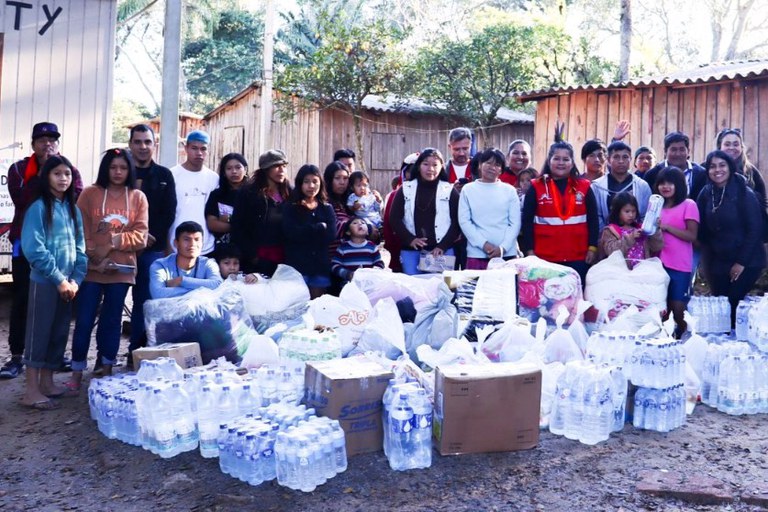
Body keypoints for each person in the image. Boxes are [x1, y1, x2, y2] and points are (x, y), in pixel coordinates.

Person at [1, 122, 83, 379]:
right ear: (33, 143)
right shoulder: (19, 169)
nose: (48, 144)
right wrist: (44, 173)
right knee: (23, 298)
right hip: (25, 244)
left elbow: (74, 194)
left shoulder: (68, 169)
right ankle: (17, 357)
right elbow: (24, 199)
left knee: (59, 304)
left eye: (52, 140)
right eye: (42, 140)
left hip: (60, 249)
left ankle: (52, 358)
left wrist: (54, 170)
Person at [68, 149, 148, 389]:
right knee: (83, 320)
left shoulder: (138, 197)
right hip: (91, 269)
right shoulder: (90, 194)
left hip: (122, 270)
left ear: (129, 170)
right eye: (113, 167)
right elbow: (79, 229)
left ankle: (107, 368)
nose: (118, 172)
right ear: (105, 169)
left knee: (112, 321)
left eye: (123, 168)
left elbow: (141, 236)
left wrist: (111, 244)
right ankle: (76, 373)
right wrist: (96, 257)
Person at [19, 156, 87, 408]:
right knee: (39, 333)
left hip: (68, 284)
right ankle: (31, 390)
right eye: (57, 173)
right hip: (46, 282)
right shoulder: (38, 208)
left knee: (58, 333)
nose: (63, 179)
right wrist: (59, 279)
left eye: (67, 174)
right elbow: (34, 249)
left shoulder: (72, 209)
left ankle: (47, 383)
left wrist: (76, 280)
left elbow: (80, 248)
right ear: (46, 176)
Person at [696, 150, 765, 328]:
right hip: (718, 260)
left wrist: (741, 263)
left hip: (747, 259)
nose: (717, 170)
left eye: (722, 165)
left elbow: (755, 230)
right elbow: (701, 228)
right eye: (712, 166)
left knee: (733, 303)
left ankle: (740, 347)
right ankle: (722, 349)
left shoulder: (744, 193)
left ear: (730, 167)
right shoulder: (706, 193)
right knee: (720, 307)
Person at [127, 124, 176, 360]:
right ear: (130, 145)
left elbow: (169, 212)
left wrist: (148, 238)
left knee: (145, 302)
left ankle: (136, 351)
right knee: (114, 304)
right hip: (119, 250)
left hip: (151, 250)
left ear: (154, 144)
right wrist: (131, 239)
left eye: (147, 142)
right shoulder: (121, 172)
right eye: (138, 142)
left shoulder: (164, 175)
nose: (143, 147)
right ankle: (104, 358)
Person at [520, 141, 599, 284]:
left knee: (575, 300)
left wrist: (592, 248)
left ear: (572, 162)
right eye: (556, 158)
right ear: (549, 161)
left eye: (566, 159)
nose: (561, 163)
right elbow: (526, 223)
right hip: (544, 257)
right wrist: (529, 251)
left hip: (578, 256)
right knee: (547, 301)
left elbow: (593, 220)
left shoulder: (584, 186)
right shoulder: (536, 186)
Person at [389, 148, 461, 275]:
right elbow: (394, 218)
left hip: (441, 251)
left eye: (435, 165)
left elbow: (457, 221)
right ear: (418, 166)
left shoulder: (449, 191)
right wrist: (410, 239)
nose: (430, 169)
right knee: (413, 290)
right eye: (426, 164)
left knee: (439, 291)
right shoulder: (405, 189)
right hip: (411, 250)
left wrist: (442, 246)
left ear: (442, 167)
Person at [653, 168, 699, 337]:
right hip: (658, 264)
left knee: (678, 309)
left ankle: (684, 342)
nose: (665, 187)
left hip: (680, 265)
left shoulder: (689, 205)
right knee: (661, 307)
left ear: (679, 185)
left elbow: (691, 235)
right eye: (662, 183)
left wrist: (666, 227)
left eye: (670, 183)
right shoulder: (657, 206)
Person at [230, 149, 291, 276]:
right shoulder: (249, 193)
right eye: (276, 166)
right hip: (258, 258)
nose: (281, 170)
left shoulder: (290, 192)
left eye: (284, 166)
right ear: (265, 169)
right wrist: (252, 256)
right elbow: (238, 227)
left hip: (285, 257)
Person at [458, 148, 521, 270]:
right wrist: (484, 244)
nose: (492, 167)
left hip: (507, 255)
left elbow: (515, 223)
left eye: (497, 165)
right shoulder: (468, 190)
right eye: (488, 162)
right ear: (480, 165)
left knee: (505, 289)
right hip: (477, 254)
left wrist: (503, 248)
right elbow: (464, 221)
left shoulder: (510, 191)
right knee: (475, 289)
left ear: (501, 169)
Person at [282, 164, 337, 298]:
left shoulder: (326, 208)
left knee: (317, 307)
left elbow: (331, 235)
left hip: (319, 266)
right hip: (297, 266)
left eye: (315, 181)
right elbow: (291, 233)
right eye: (306, 182)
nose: (311, 186)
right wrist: (318, 228)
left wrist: (306, 231)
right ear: (300, 183)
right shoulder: (291, 207)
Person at [169, 130, 219, 256]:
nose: (199, 153)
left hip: (206, 247)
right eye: (194, 148)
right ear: (186, 148)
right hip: (176, 246)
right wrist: (167, 246)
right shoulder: (172, 175)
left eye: (203, 149)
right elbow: (165, 213)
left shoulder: (214, 178)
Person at [149, 221, 223, 299]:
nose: (192, 244)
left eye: (197, 240)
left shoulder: (208, 263)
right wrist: (201, 291)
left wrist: (182, 281)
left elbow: (218, 285)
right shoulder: (160, 265)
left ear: (202, 244)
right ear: (176, 243)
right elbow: (158, 294)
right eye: (187, 239)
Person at [591, 141, 653, 232]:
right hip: (607, 239)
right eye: (616, 157)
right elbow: (596, 216)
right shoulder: (597, 186)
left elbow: (645, 216)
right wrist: (608, 236)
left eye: (625, 157)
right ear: (608, 160)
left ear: (631, 159)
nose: (621, 161)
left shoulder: (642, 185)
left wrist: (635, 235)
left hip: (635, 238)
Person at [715, 128, 768, 233]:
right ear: (719, 147)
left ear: (741, 147)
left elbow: (763, 201)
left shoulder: (751, 172)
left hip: (746, 232)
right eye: (727, 144)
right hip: (717, 232)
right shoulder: (708, 169)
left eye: (736, 144)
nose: (732, 147)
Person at [597, 192, 663, 266]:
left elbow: (656, 247)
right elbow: (610, 251)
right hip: (621, 273)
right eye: (627, 211)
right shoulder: (610, 231)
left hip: (642, 272)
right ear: (617, 212)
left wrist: (655, 229)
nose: (631, 215)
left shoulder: (641, 229)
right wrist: (630, 238)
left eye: (633, 211)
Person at [642, 131, 706, 200]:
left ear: (688, 151)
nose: (678, 154)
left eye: (682, 149)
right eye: (673, 150)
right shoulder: (652, 175)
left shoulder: (701, 174)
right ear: (665, 151)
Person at [205, 153, 248, 247]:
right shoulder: (217, 195)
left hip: (249, 248)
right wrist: (240, 225)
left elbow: (255, 223)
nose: (234, 171)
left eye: (238, 167)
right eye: (229, 168)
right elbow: (212, 224)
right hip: (223, 249)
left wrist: (226, 219)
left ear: (245, 170)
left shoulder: (255, 193)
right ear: (224, 172)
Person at [331, 218, 385, 283]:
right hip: (349, 285)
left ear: (368, 232)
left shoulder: (372, 247)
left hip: (369, 284)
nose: (360, 224)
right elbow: (334, 265)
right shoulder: (343, 248)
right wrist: (347, 274)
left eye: (363, 223)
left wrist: (374, 271)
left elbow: (379, 262)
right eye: (355, 223)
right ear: (348, 232)